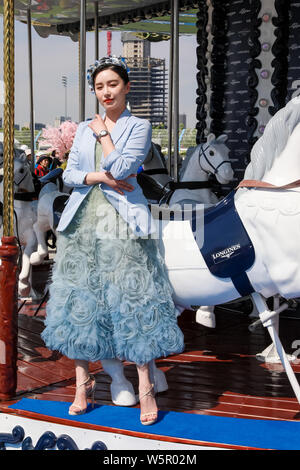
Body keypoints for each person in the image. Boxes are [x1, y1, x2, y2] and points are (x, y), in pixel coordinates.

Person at [41, 56, 184, 425]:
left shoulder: (139, 126)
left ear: (126, 87)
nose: (105, 92)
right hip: (83, 223)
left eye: (112, 85)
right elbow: (71, 175)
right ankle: (82, 384)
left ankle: (146, 388)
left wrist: (104, 135)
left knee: (133, 301)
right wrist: (99, 178)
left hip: (122, 223)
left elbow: (123, 168)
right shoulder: (84, 130)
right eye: (99, 86)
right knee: (81, 302)